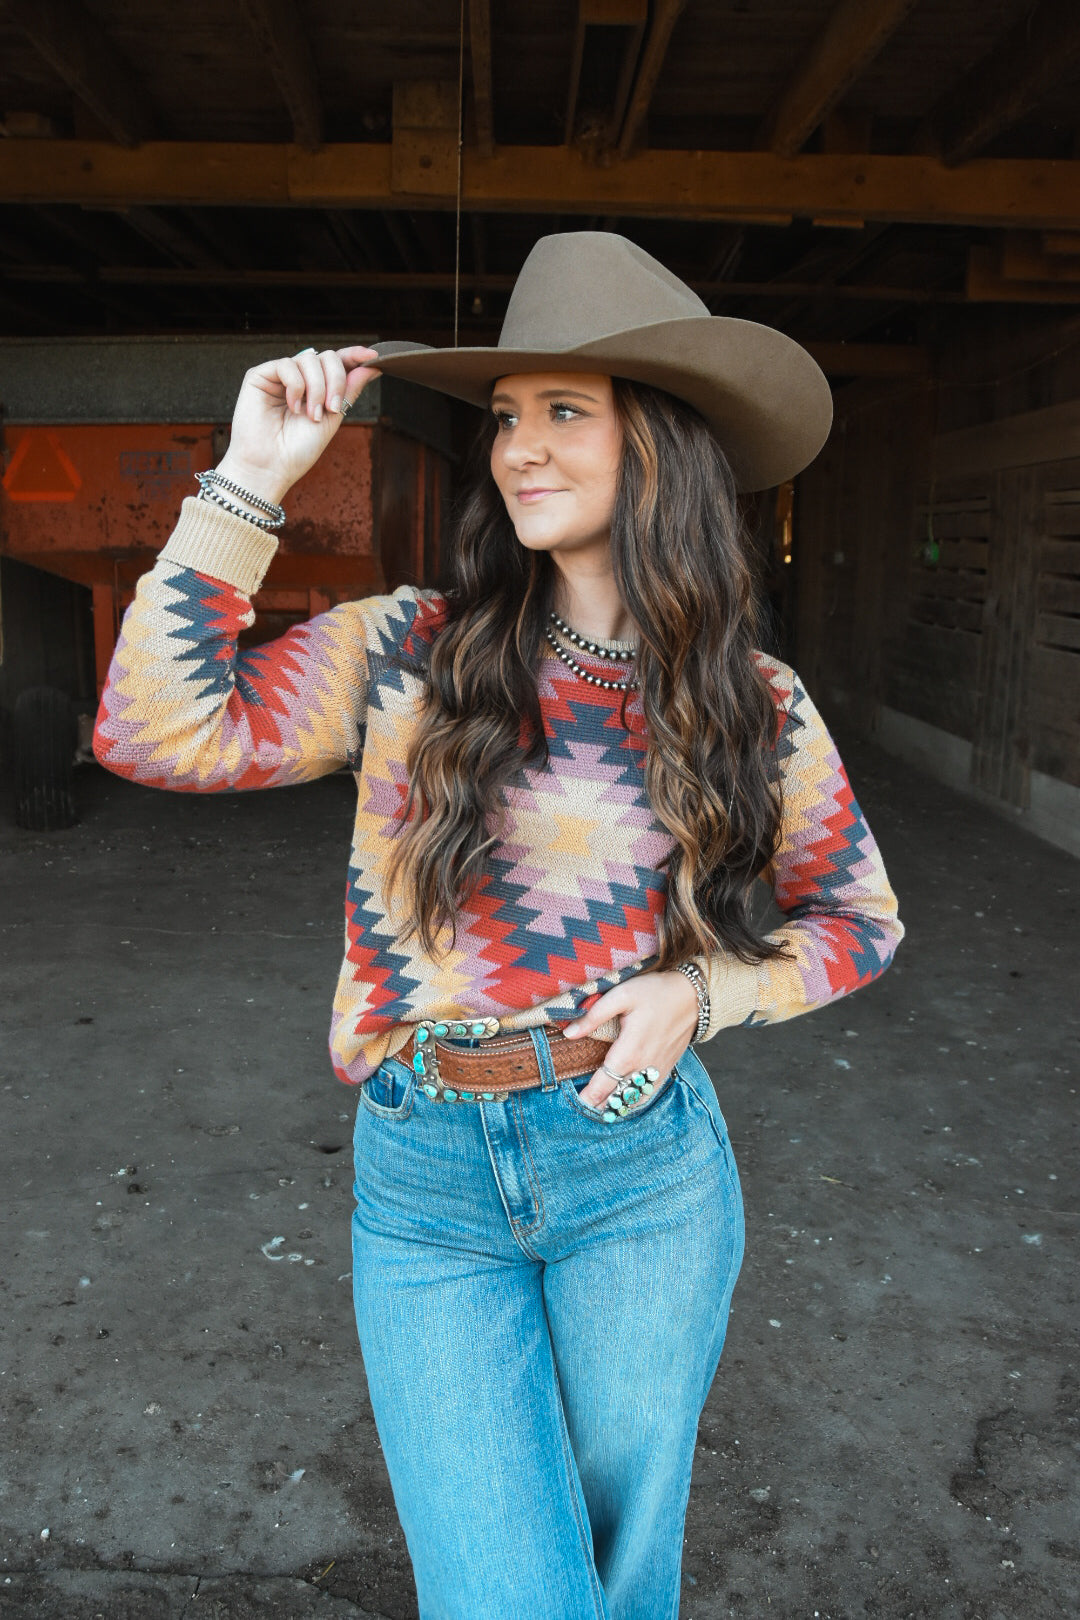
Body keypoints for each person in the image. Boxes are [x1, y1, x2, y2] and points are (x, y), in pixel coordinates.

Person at [94, 231, 903, 1620]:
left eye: (565, 412)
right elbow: (153, 729)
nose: (519, 447)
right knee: (511, 1596)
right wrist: (252, 482)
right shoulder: (411, 649)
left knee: (616, 1578)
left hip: (638, 1168)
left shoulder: (754, 705)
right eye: (510, 418)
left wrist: (700, 998)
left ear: (660, 444)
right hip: (426, 1182)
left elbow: (858, 919)